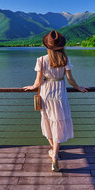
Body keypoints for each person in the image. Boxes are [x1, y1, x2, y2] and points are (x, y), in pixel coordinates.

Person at [23, 30, 88, 172]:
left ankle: (53, 151)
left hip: (46, 94)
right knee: (58, 123)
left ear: (47, 45)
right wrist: (79, 87)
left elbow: (37, 81)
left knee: (47, 121)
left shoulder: (41, 60)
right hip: (60, 94)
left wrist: (32, 87)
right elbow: (70, 79)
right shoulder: (65, 59)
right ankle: (55, 155)